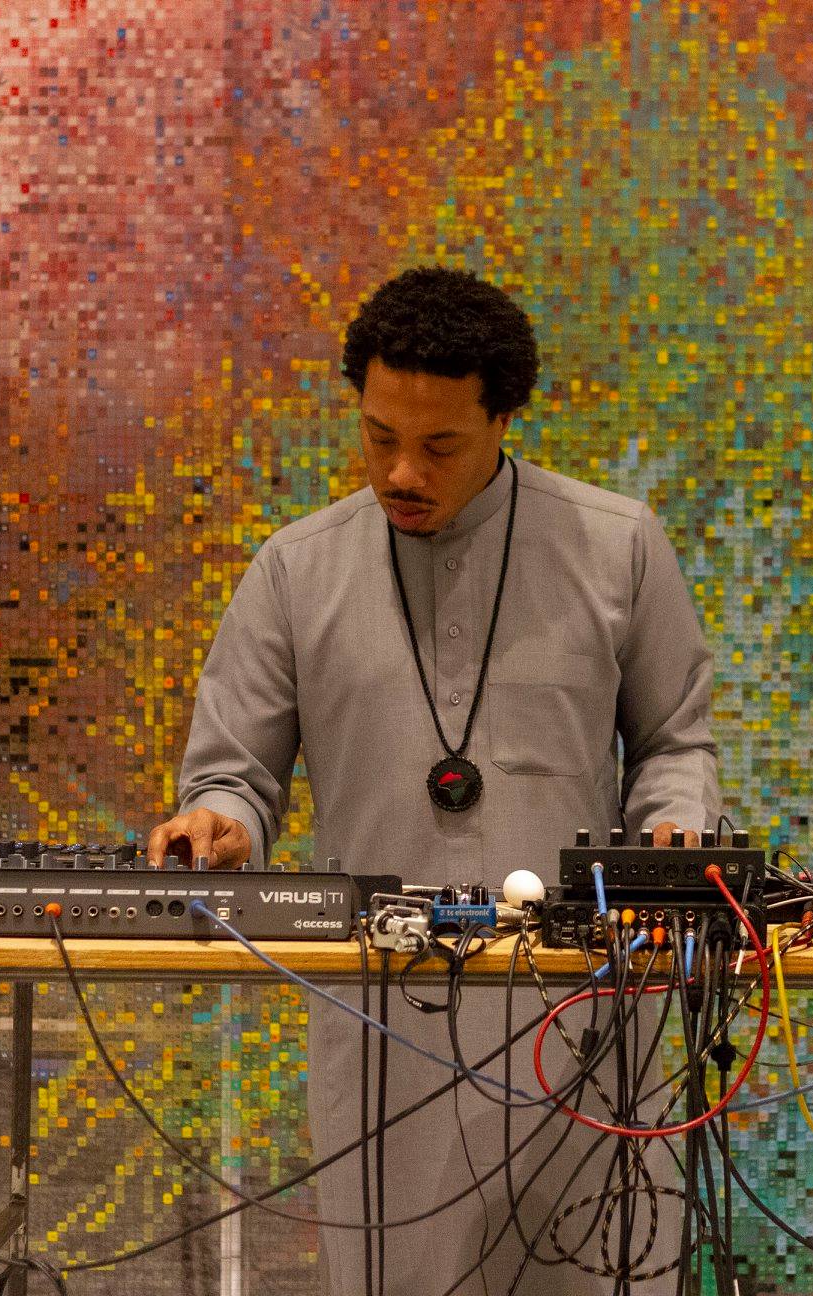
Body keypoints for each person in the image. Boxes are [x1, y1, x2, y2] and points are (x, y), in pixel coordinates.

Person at [148, 265, 720, 1293]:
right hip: (382, 1028)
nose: (402, 470)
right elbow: (234, 775)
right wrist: (224, 822)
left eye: (440, 444)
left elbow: (674, 743)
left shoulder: (620, 547)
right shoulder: (294, 570)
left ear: (504, 416)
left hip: (593, 1023)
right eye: (378, 437)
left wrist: (674, 829)